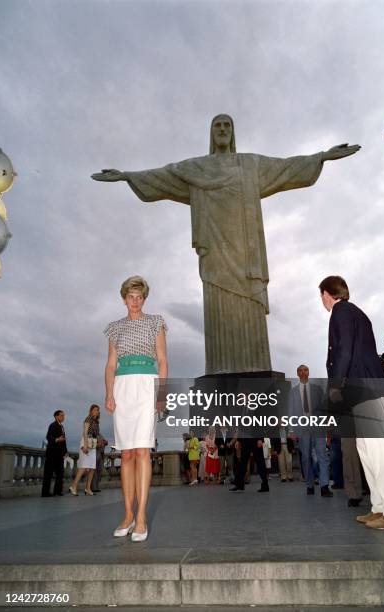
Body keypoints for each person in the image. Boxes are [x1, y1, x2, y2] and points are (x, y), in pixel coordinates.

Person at [92, 116, 360, 375]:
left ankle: (255, 365)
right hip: (215, 253)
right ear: (211, 133)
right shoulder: (197, 168)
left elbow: (286, 167)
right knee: (218, 307)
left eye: (226, 125)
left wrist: (322, 156)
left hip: (246, 253)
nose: (222, 129)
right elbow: (164, 175)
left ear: (232, 132)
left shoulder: (249, 164)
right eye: (217, 125)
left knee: (249, 307)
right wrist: (127, 176)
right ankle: (221, 367)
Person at [319, 275, 384, 528]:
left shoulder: (341, 310)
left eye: (321, 296)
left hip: (362, 387)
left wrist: (335, 385)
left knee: (379, 449)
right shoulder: (353, 312)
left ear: (326, 293)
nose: (321, 301)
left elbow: (343, 349)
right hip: (360, 389)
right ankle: (380, 507)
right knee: (367, 451)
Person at [104, 275, 167, 542]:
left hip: (146, 386)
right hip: (122, 387)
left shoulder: (156, 323)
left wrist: (161, 394)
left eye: (140, 297)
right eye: (131, 296)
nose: (135, 301)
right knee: (127, 453)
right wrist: (109, 393)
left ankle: (141, 516)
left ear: (144, 298)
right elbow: (110, 365)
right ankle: (128, 514)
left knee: (143, 449)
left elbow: (163, 361)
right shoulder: (114, 328)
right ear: (124, 298)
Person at [288, 365, 333, 497]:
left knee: (322, 456)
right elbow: (291, 411)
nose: (303, 372)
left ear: (309, 372)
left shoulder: (317, 389)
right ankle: (309, 484)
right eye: (300, 370)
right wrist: (291, 430)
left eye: (305, 370)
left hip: (318, 426)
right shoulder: (293, 392)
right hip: (302, 428)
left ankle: (324, 486)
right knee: (306, 457)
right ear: (297, 374)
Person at [69, 404, 101, 496]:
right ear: (91, 411)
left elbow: (96, 434)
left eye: (98, 410)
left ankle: (87, 488)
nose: (96, 411)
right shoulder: (88, 419)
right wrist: (85, 445)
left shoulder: (96, 422)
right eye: (95, 410)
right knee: (83, 466)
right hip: (86, 442)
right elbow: (85, 432)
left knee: (92, 467)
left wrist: (97, 442)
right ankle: (73, 486)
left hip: (93, 444)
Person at [41, 410, 68, 497]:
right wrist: (57, 439)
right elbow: (48, 437)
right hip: (52, 453)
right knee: (48, 474)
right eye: (61, 415)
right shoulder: (52, 425)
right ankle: (45, 493)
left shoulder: (62, 426)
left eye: (63, 416)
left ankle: (58, 491)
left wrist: (65, 452)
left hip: (59, 454)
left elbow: (63, 441)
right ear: (56, 416)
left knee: (60, 473)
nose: (63, 417)